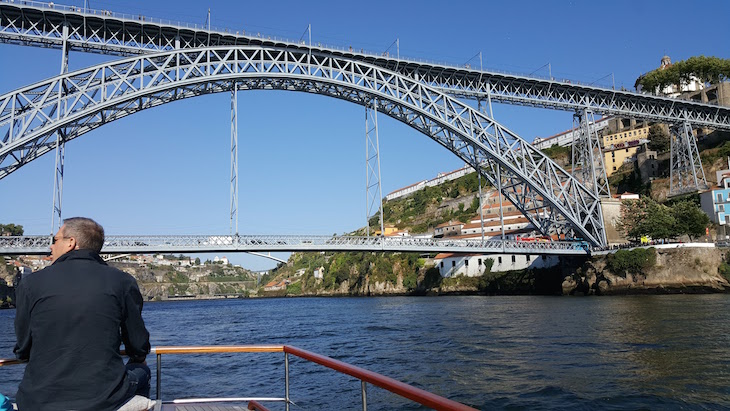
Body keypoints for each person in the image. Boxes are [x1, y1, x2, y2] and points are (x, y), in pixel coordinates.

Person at [14, 217, 151, 411]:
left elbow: (23, 347)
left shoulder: (31, 284)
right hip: (103, 398)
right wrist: (138, 357)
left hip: (38, 400)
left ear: (71, 243)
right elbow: (138, 345)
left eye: (55, 240)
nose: (51, 247)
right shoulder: (122, 282)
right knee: (141, 370)